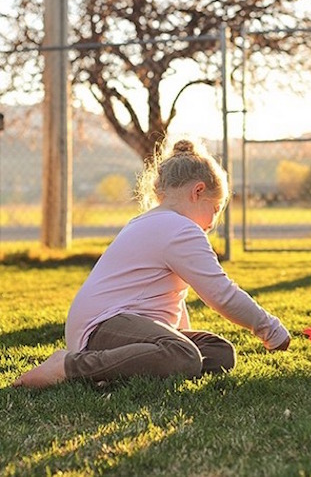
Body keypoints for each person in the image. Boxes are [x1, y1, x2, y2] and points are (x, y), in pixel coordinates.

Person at [13, 138, 290, 389]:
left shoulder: (155, 222)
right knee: (184, 355)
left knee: (218, 352)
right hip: (103, 326)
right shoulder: (179, 228)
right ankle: (68, 367)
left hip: (119, 326)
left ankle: (115, 372)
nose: (213, 222)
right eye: (215, 209)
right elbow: (221, 294)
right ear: (198, 191)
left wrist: (178, 334)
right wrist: (270, 330)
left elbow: (172, 296)